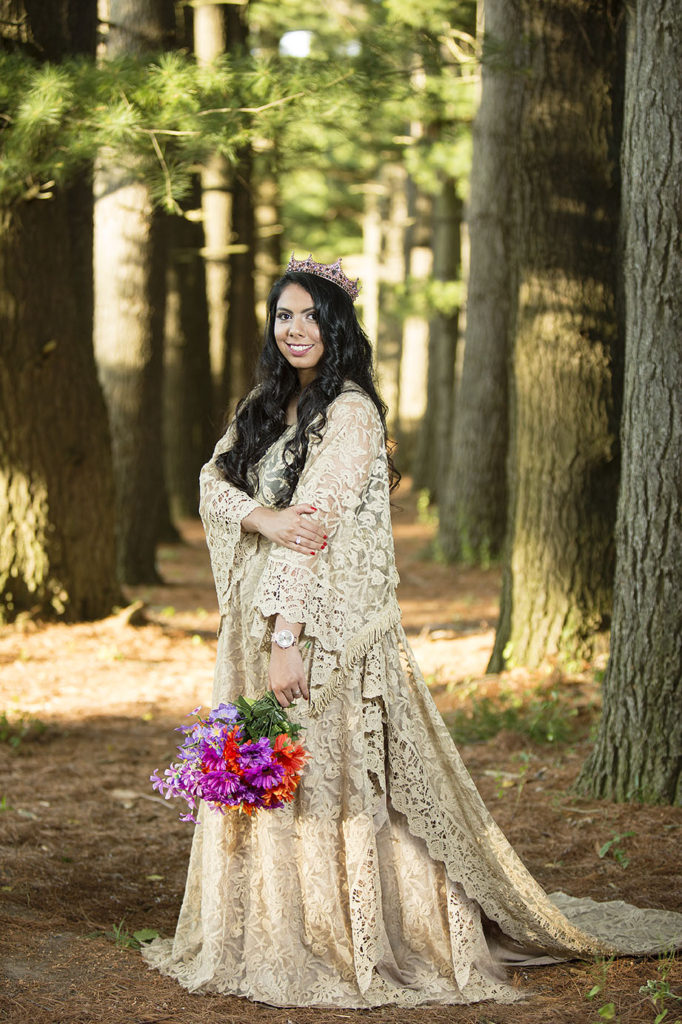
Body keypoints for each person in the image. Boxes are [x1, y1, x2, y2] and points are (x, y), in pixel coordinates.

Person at [143, 254, 682, 1007]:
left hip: (318, 636)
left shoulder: (352, 414)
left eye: (311, 316)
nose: (295, 330)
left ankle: (345, 936)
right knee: (271, 778)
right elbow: (213, 481)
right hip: (254, 624)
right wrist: (259, 515)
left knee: (329, 781)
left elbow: (318, 533)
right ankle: (269, 927)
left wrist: (289, 638)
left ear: (338, 328)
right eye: (283, 316)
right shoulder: (264, 404)